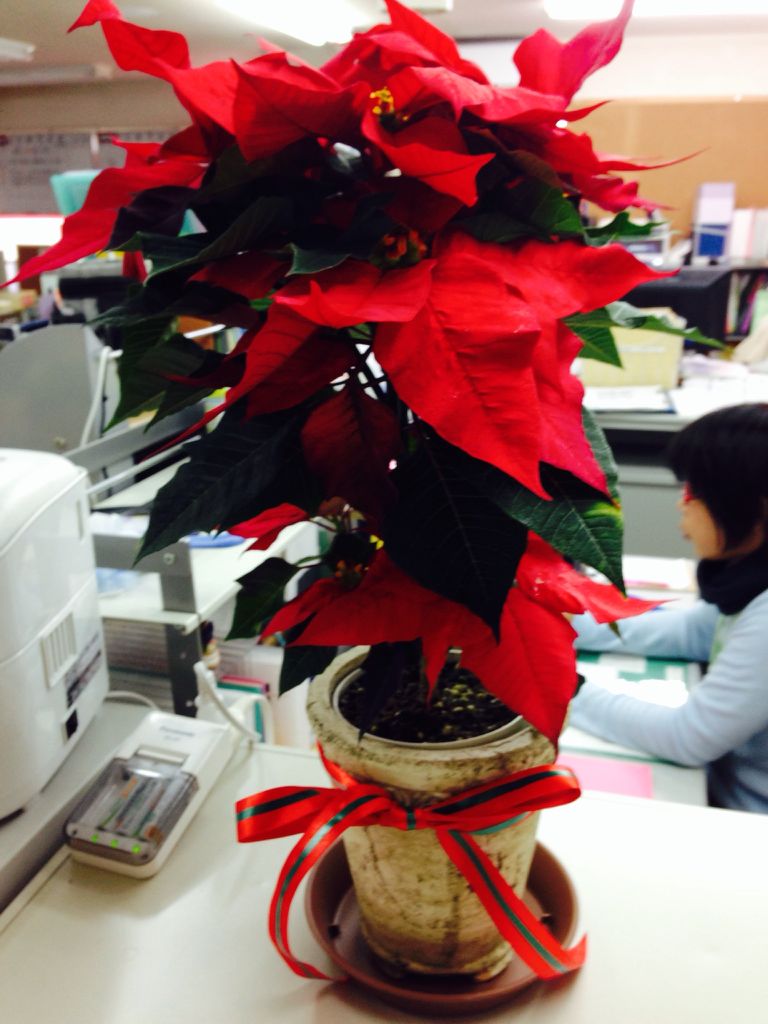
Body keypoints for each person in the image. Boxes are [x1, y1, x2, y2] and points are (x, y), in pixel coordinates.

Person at [570, 402, 768, 813]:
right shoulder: (749, 581)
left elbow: (686, 738)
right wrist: (557, 619)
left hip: (743, 818)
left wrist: (557, 687)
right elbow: (691, 632)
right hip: (719, 782)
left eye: (694, 491)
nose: (682, 504)